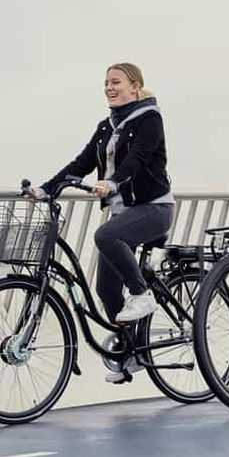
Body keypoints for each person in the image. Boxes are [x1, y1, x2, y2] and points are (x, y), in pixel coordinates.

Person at [36, 63, 175, 381]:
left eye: (116, 82)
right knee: (106, 290)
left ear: (135, 87)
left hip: (154, 208)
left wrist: (111, 182)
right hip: (123, 213)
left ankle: (142, 294)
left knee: (105, 236)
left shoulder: (150, 119)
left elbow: (137, 159)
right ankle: (133, 353)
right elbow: (81, 163)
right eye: (106, 83)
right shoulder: (106, 126)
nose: (109, 88)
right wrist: (46, 188)